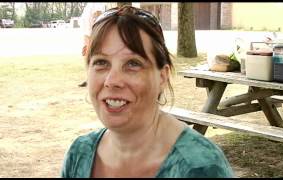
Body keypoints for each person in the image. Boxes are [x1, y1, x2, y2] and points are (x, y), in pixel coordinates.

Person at [61, 6, 234, 178]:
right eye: (101, 62)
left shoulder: (201, 167)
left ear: (162, 77)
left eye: (133, 64)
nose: (112, 81)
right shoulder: (79, 155)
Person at [78, 3, 106, 87]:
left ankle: (95, 78)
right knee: (87, 56)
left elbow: (98, 17)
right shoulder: (89, 5)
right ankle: (89, 78)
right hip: (87, 34)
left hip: (92, 34)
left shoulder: (97, 4)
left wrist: (96, 34)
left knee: (94, 56)